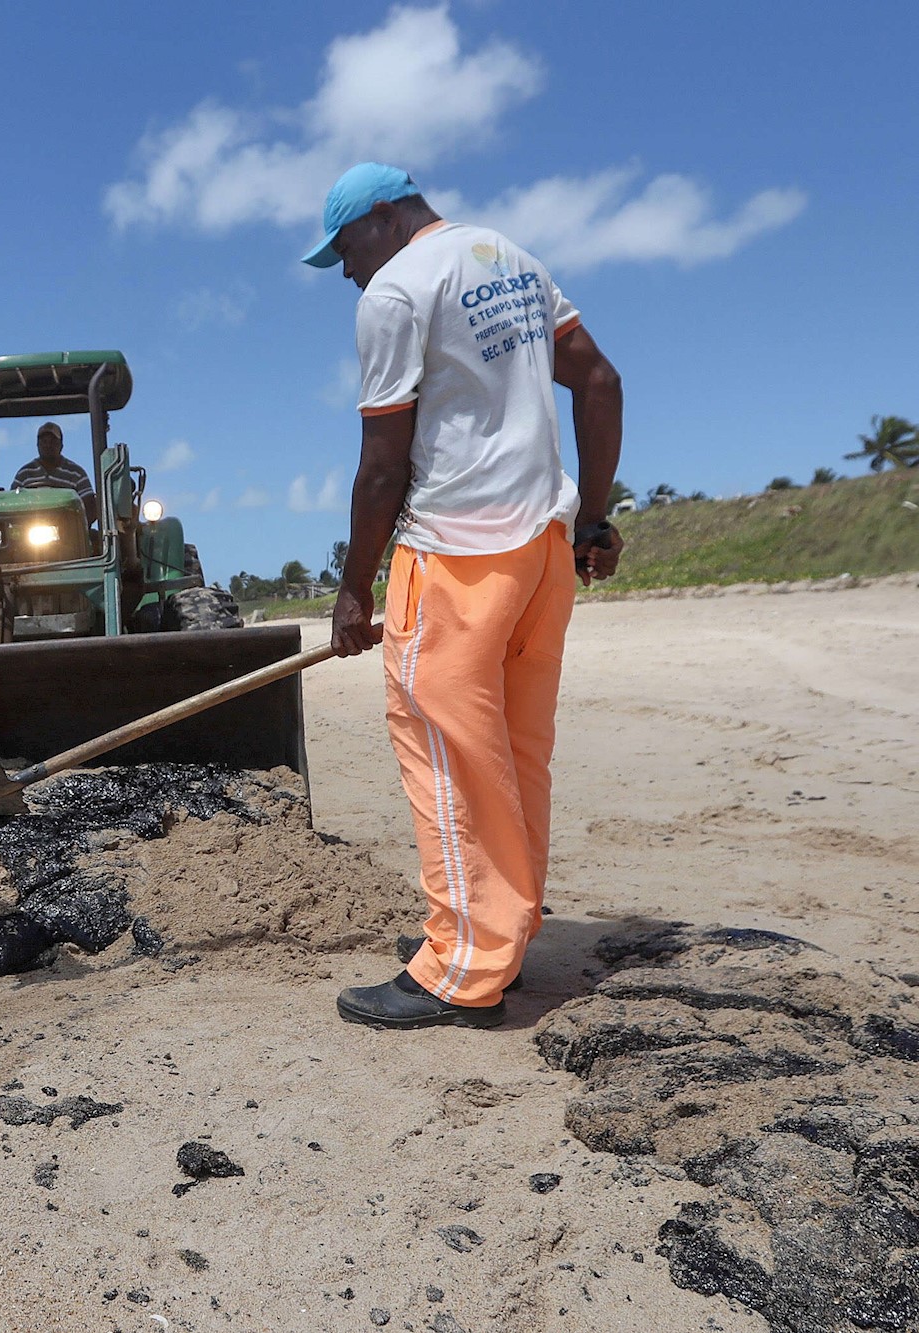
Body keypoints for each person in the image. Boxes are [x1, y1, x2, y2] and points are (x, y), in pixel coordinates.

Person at [302, 162, 624, 1030]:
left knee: (445, 754)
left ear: (377, 220)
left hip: (455, 556)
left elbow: (382, 465)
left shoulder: (398, 291)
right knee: (515, 756)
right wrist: (592, 520)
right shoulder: (512, 259)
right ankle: (505, 941)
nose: (348, 274)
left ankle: (458, 965)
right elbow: (599, 381)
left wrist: (352, 588)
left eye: (344, 252)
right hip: (542, 555)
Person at [12, 422, 96, 514]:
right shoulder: (24, 473)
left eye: (52, 442)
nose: (48, 445)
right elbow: (12, 502)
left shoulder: (76, 473)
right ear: (37, 445)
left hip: (67, 525)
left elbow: (90, 506)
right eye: (44, 441)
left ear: (61, 445)